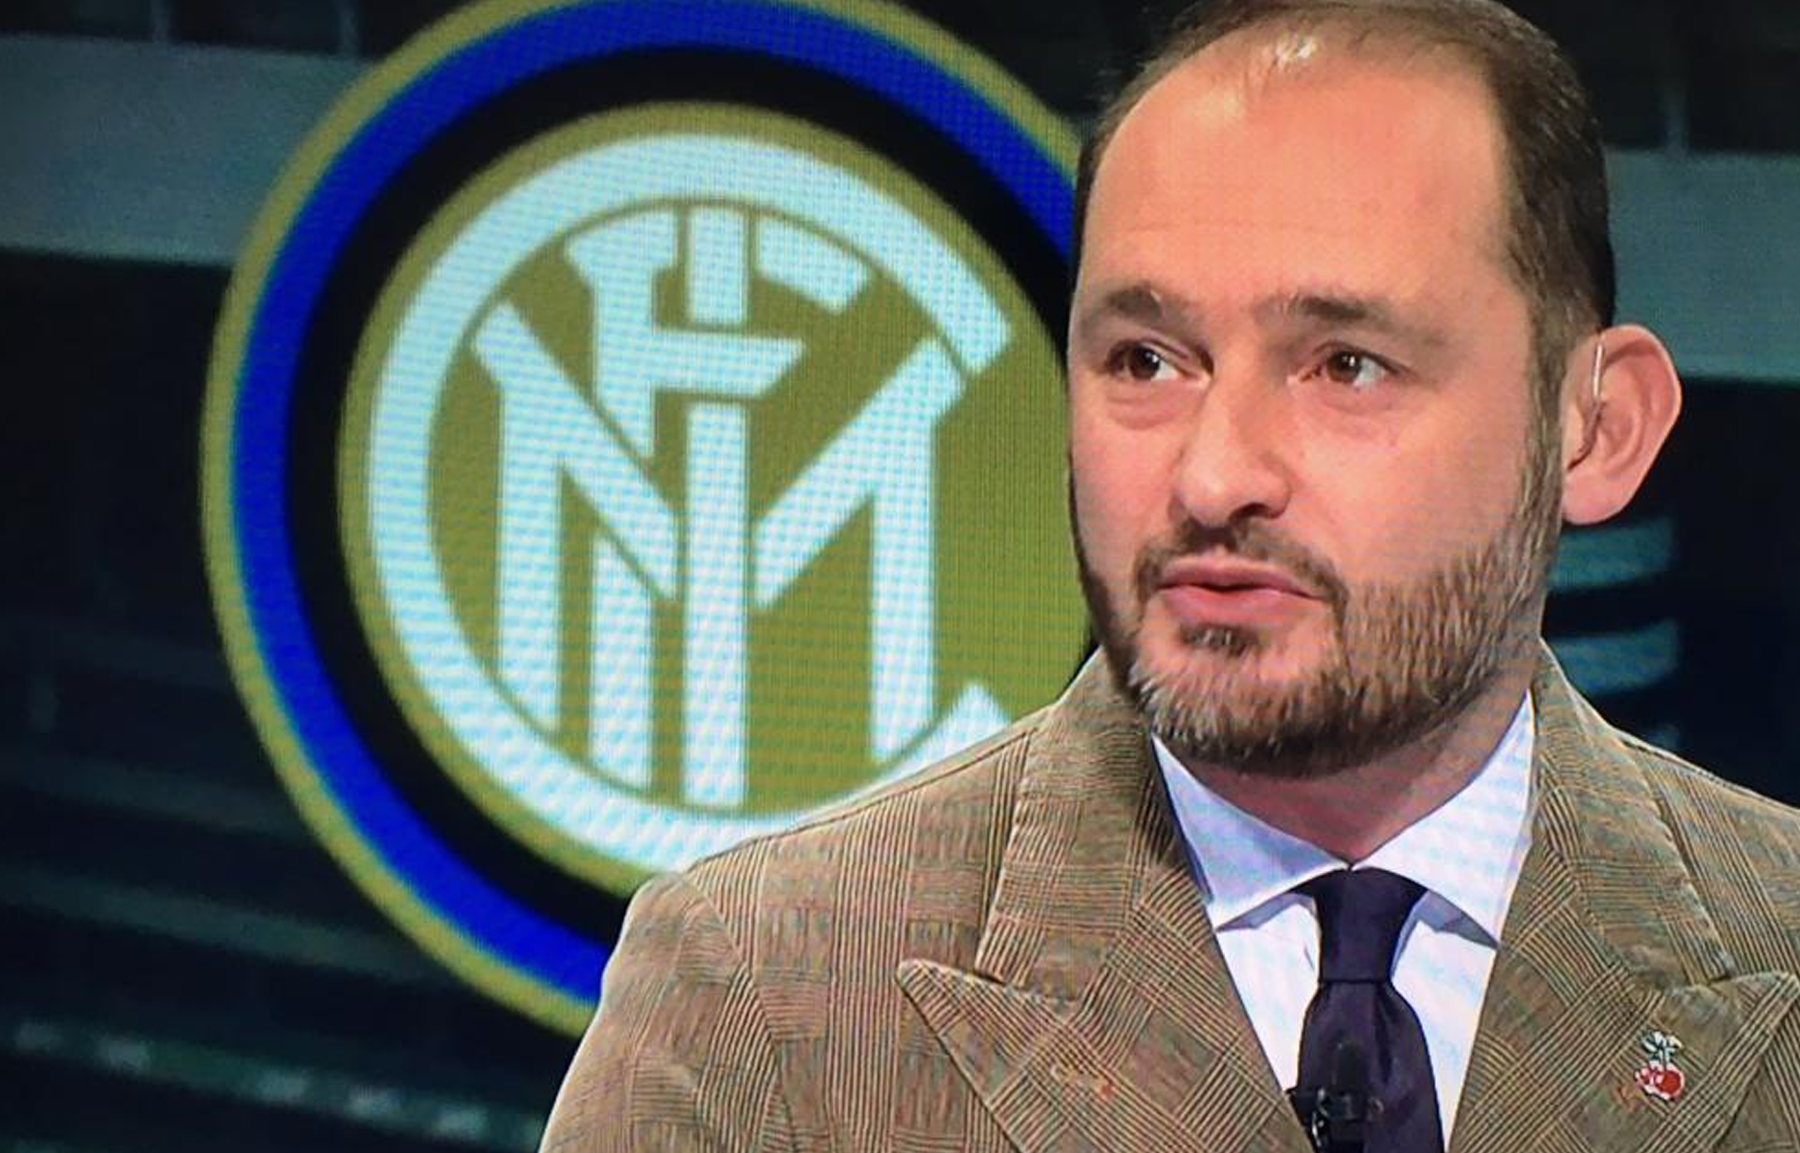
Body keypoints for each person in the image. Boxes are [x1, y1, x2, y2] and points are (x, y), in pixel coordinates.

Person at [540, 1, 1800, 1149]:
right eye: (1145, 361)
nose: (1212, 476)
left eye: (1346, 365)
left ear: (1596, 428)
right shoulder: (763, 1003)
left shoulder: (1776, 936)